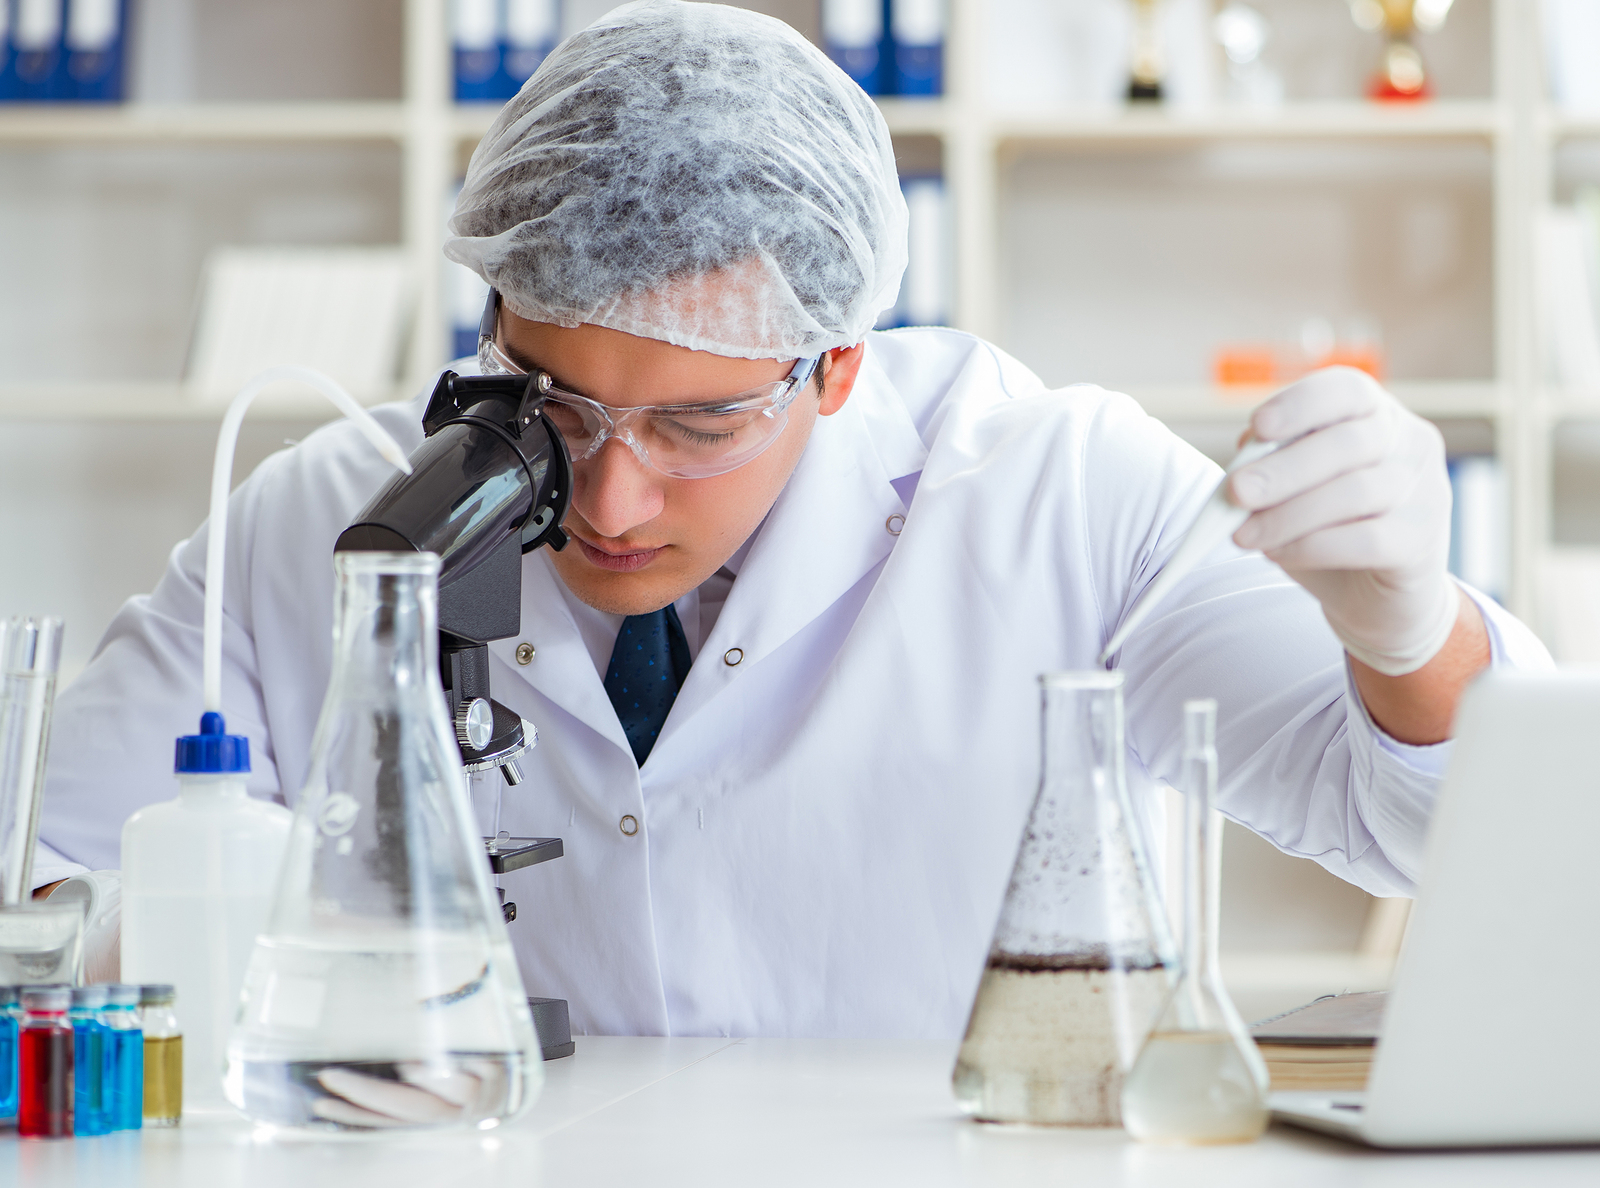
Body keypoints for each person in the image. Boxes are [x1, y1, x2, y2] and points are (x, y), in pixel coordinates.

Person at [34, 1, 1546, 1039]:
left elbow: (1435, 844)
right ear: (492, 320)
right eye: (551, 404)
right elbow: (48, 907)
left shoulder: (1059, 497)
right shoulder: (332, 521)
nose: (616, 502)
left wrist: (1408, 629)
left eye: (700, 422)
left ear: (839, 363)